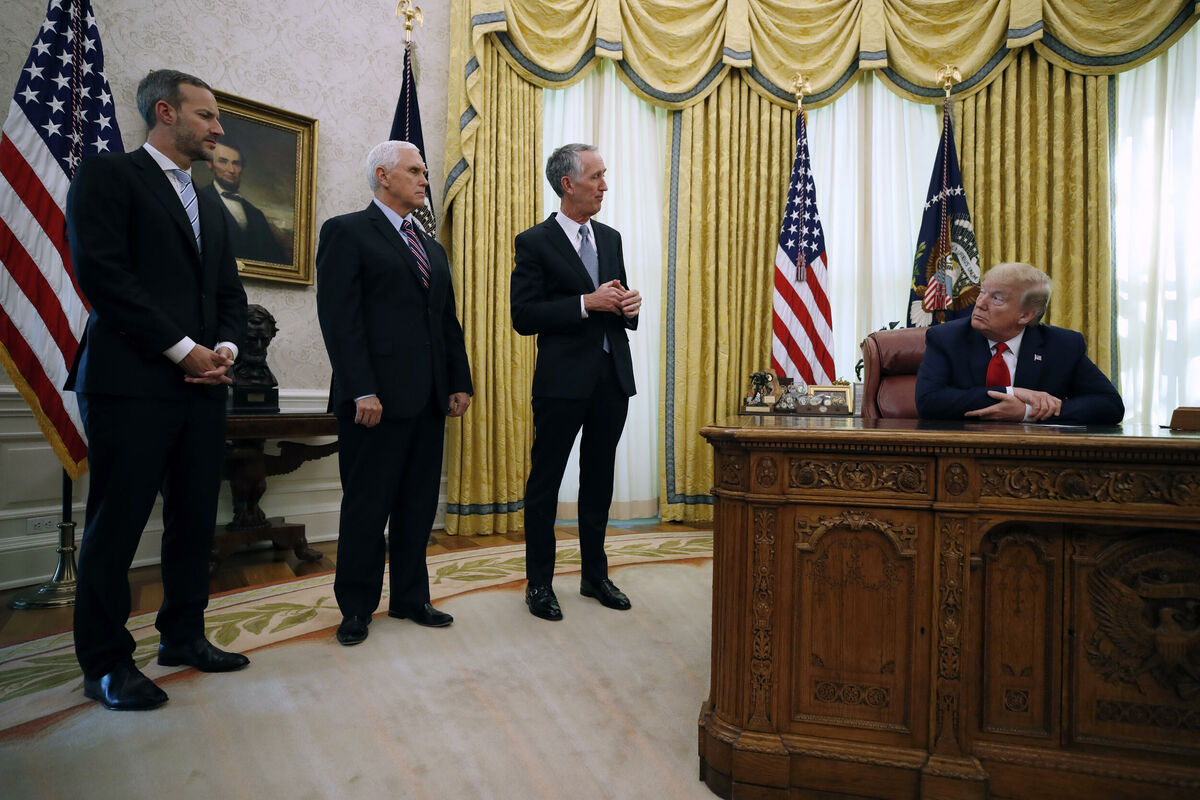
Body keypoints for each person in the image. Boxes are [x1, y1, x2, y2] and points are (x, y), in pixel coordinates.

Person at [64, 69, 250, 711]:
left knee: (194, 521)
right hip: (130, 384)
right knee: (115, 526)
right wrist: (181, 349)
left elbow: (229, 294)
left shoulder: (208, 200)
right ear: (165, 112)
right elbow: (103, 276)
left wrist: (225, 350)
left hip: (204, 388)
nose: (218, 128)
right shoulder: (109, 175)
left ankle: (183, 636)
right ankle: (106, 664)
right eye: (207, 115)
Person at [316, 140, 473, 646]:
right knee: (367, 508)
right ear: (383, 176)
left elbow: (446, 322)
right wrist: (361, 388)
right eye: (415, 170)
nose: (426, 179)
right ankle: (355, 608)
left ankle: (410, 597)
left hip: (428, 400)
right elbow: (340, 321)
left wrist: (459, 381)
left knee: (417, 506)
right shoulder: (346, 232)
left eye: (425, 171)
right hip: (374, 404)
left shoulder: (432, 247)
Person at [510, 143, 642, 621]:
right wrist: (586, 303)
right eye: (596, 176)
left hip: (611, 379)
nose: (605, 185)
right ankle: (539, 584)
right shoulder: (534, 241)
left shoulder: (611, 238)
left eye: (604, 176)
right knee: (545, 483)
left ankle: (594, 576)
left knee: (599, 480)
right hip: (561, 383)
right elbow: (524, 316)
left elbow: (617, 300)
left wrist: (629, 307)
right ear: (568, 184)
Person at [915, 262, 1124, 425]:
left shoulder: (1062, 345)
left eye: (996, 298)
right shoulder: (946, 338)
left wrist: (1027, 412)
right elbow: (929, 401)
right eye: (982, 292)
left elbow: (1109, 405)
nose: (980, 303)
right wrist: (1012, 392)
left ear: (1025, 315)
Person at [199, 139, 287, 263]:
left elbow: (276, 261)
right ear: (210, 164)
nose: (231, 170)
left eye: (236, 164)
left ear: (242, 168)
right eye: (223, 161)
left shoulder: (256, 215)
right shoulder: (199, 200)